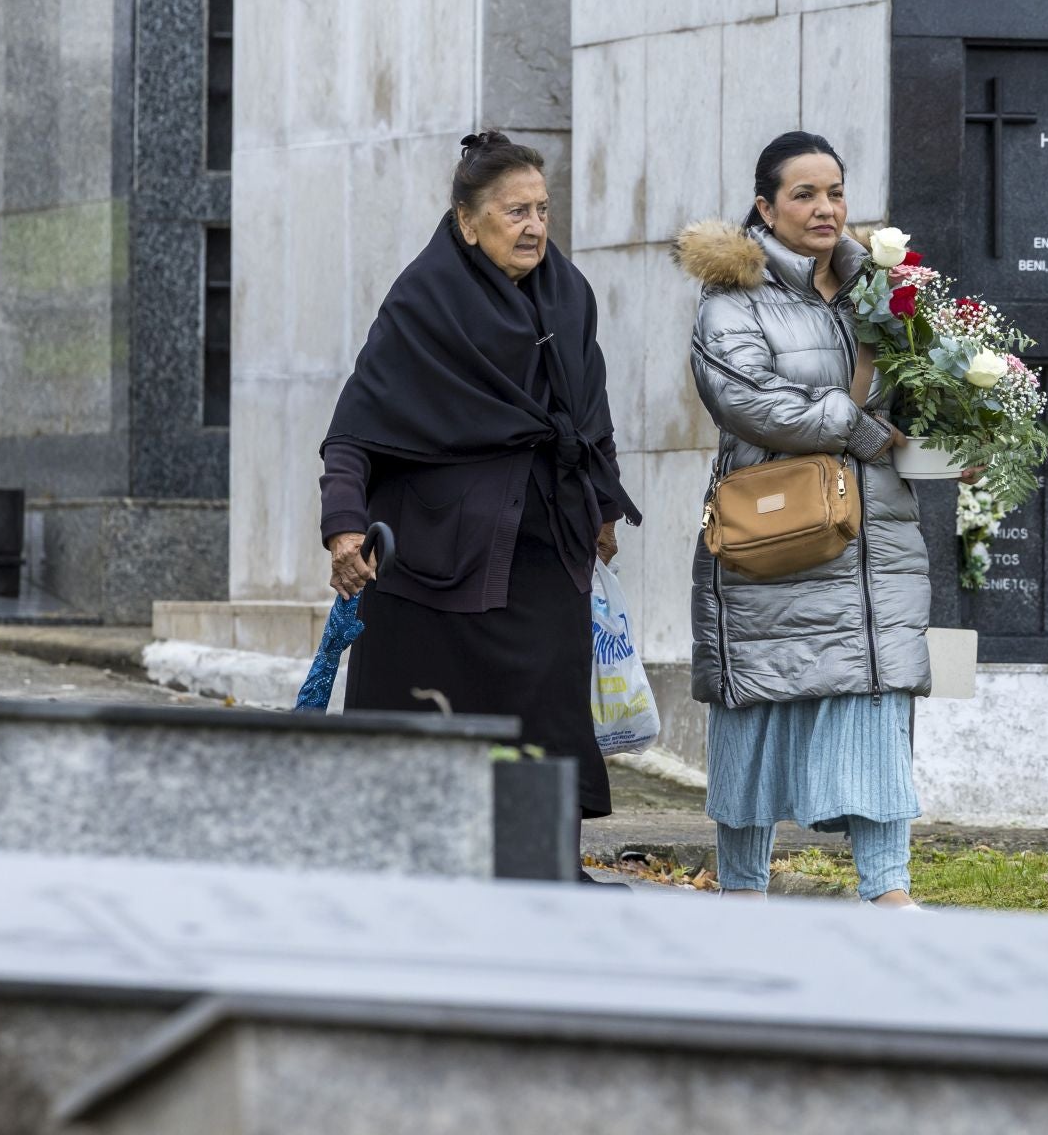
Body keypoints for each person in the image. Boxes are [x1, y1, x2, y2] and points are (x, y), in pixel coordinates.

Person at [677, 131, 964, 910]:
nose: (824, 207)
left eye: (834, 191)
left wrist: (964, 432)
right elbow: (749, 400)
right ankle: (742, 884)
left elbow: (918, 394)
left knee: (875, 689)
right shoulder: (732, 299)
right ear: (766, 208)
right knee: (759, 704)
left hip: (875, 537)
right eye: (803, 194)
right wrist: (863, 430)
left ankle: (888, 887)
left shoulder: (884, 292)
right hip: (776, 534)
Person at [318, 131, 636, 828]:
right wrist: (344, 527)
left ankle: (546, 865)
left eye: (543, 210)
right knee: (428, 722)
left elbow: (590, 412)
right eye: (514, 212)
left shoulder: (568, 293)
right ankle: (412, 864)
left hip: (545, 549)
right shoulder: (425, 300)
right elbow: (354, 430)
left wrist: (603, 507)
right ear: (467, 221)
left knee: (544, 713)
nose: (534, 227)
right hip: (434, 559)